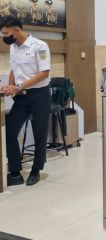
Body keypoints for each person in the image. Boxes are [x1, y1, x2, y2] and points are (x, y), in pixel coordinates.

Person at [0, 16, 51, 186]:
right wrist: (10, 86)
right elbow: (13, 69)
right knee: (10, 132)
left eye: (6, 33)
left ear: (16, 29)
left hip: (40, 95)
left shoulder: (40, 46)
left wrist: (18, 86)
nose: (4, 36)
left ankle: (36, 170)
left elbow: (44, 73)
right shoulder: (14, 48)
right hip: (21, 97)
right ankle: (15, 172)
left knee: (39, 133)